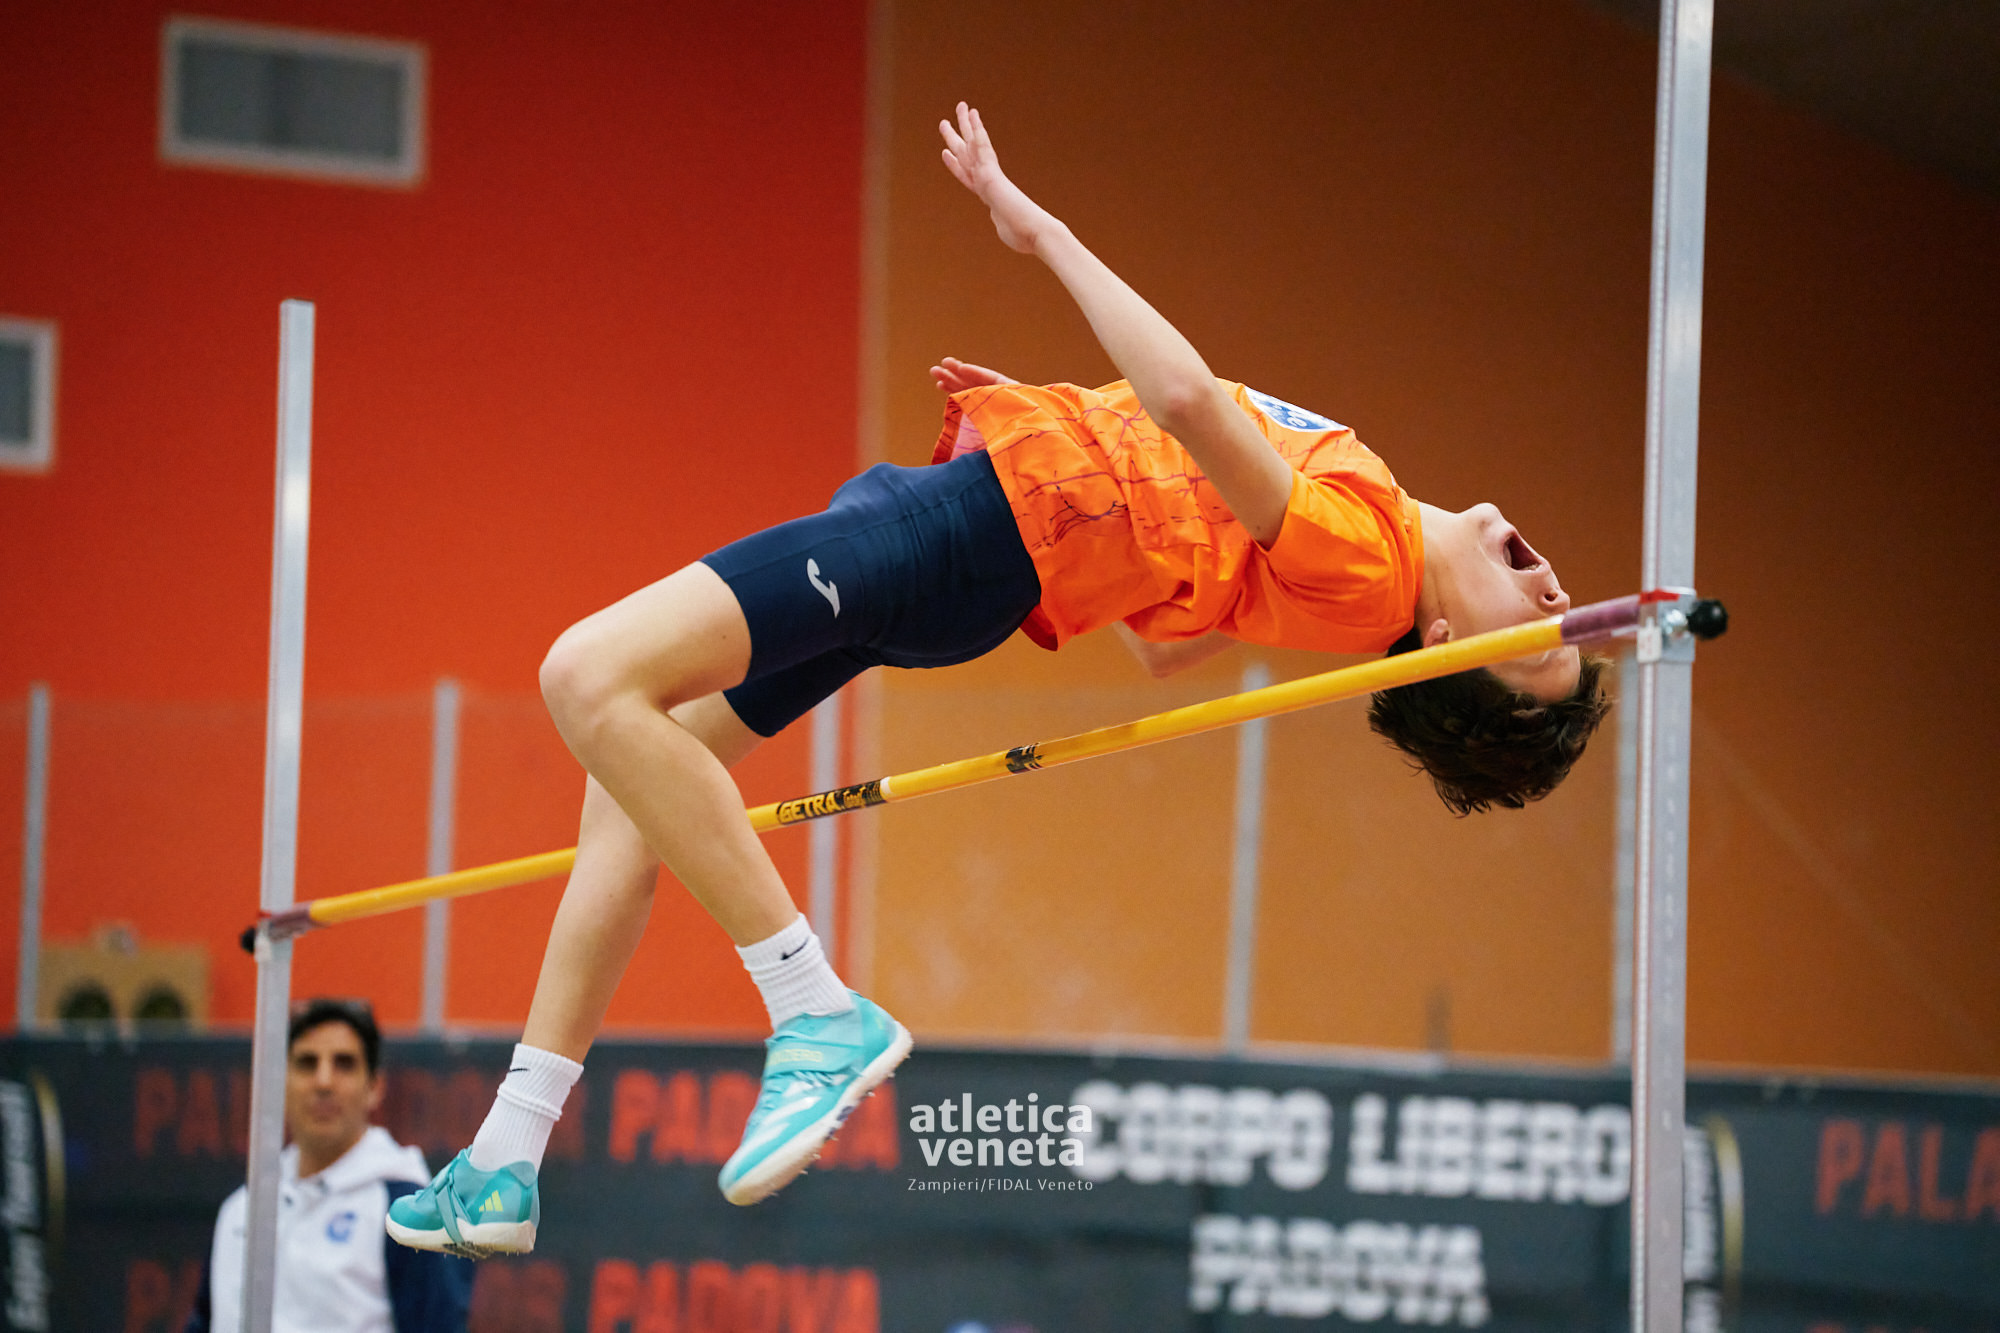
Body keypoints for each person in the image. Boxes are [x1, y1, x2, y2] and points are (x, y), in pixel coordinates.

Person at [386, 103, 1608, 1257]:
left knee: (586, 675)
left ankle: (812, 1010)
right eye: (1563, 618)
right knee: (631, 785)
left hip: (969, 541)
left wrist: (1040, 233)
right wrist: (1051, 427)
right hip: (981, 536)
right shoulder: (1354, 570)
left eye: (1542, 642)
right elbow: (1161, 628)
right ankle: (504, 1159)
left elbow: (1185, 399)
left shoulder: (1371, 561)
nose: (1556, 598)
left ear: (1443, 643)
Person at [188, 998, 472, 1332]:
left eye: (344, 1064)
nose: (323, 1082)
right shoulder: (242, 1209)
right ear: (281, 1083)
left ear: (375, 1086)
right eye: (307, 1063)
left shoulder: (410, 1216)